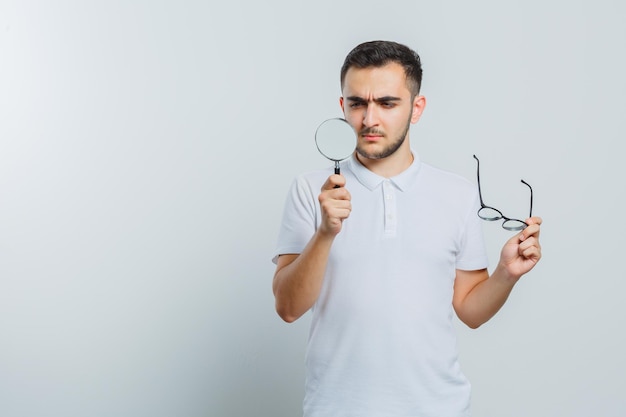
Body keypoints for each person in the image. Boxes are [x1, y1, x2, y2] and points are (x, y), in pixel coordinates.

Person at [272, 40, 542, 417]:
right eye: (357, 103)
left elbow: (470, 311)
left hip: (440, 408)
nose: (369, 119)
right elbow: (287, 307)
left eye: (387, 103)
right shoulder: (310, 189)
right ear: (342, 107)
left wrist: (506, 274)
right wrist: (325, 233)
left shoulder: (456, 194)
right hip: (337, 408)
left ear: (417, 108)